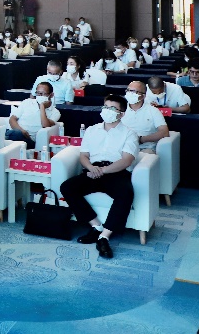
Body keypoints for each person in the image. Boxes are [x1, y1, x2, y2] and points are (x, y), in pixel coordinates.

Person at [59, 95, 139, 259]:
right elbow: (83, 155)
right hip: (93, 170)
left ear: (122, 114)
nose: (107, 111)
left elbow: (126, 160)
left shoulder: (129, 134)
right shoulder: (91, 130)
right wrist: (90, 167)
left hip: (115, 171)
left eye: (112, 108)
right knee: (67, 187)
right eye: (105, 107)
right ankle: (96, 226)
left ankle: (104, 236)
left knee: (125, 193)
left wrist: (103, 170)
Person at [6, 82, 60, 149]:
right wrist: (22, 131)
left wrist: (42, 106)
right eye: (38, 93)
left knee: (15, 135)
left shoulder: (55, 112)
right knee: (13, 133)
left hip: (30, 140)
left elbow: (45, 125)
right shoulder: (27, 102)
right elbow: (12, 119)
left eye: (43, 94)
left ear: (51, 95)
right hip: (17, 131)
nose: (40, 96)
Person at [121, 81, 169, 152]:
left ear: (143, 96)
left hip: (145, 148)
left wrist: (141, 139)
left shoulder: (153, 111)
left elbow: (164, 132)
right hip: (122, 147)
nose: (130, 93)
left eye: (134, 91)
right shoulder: (120, 109)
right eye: (128, 90)